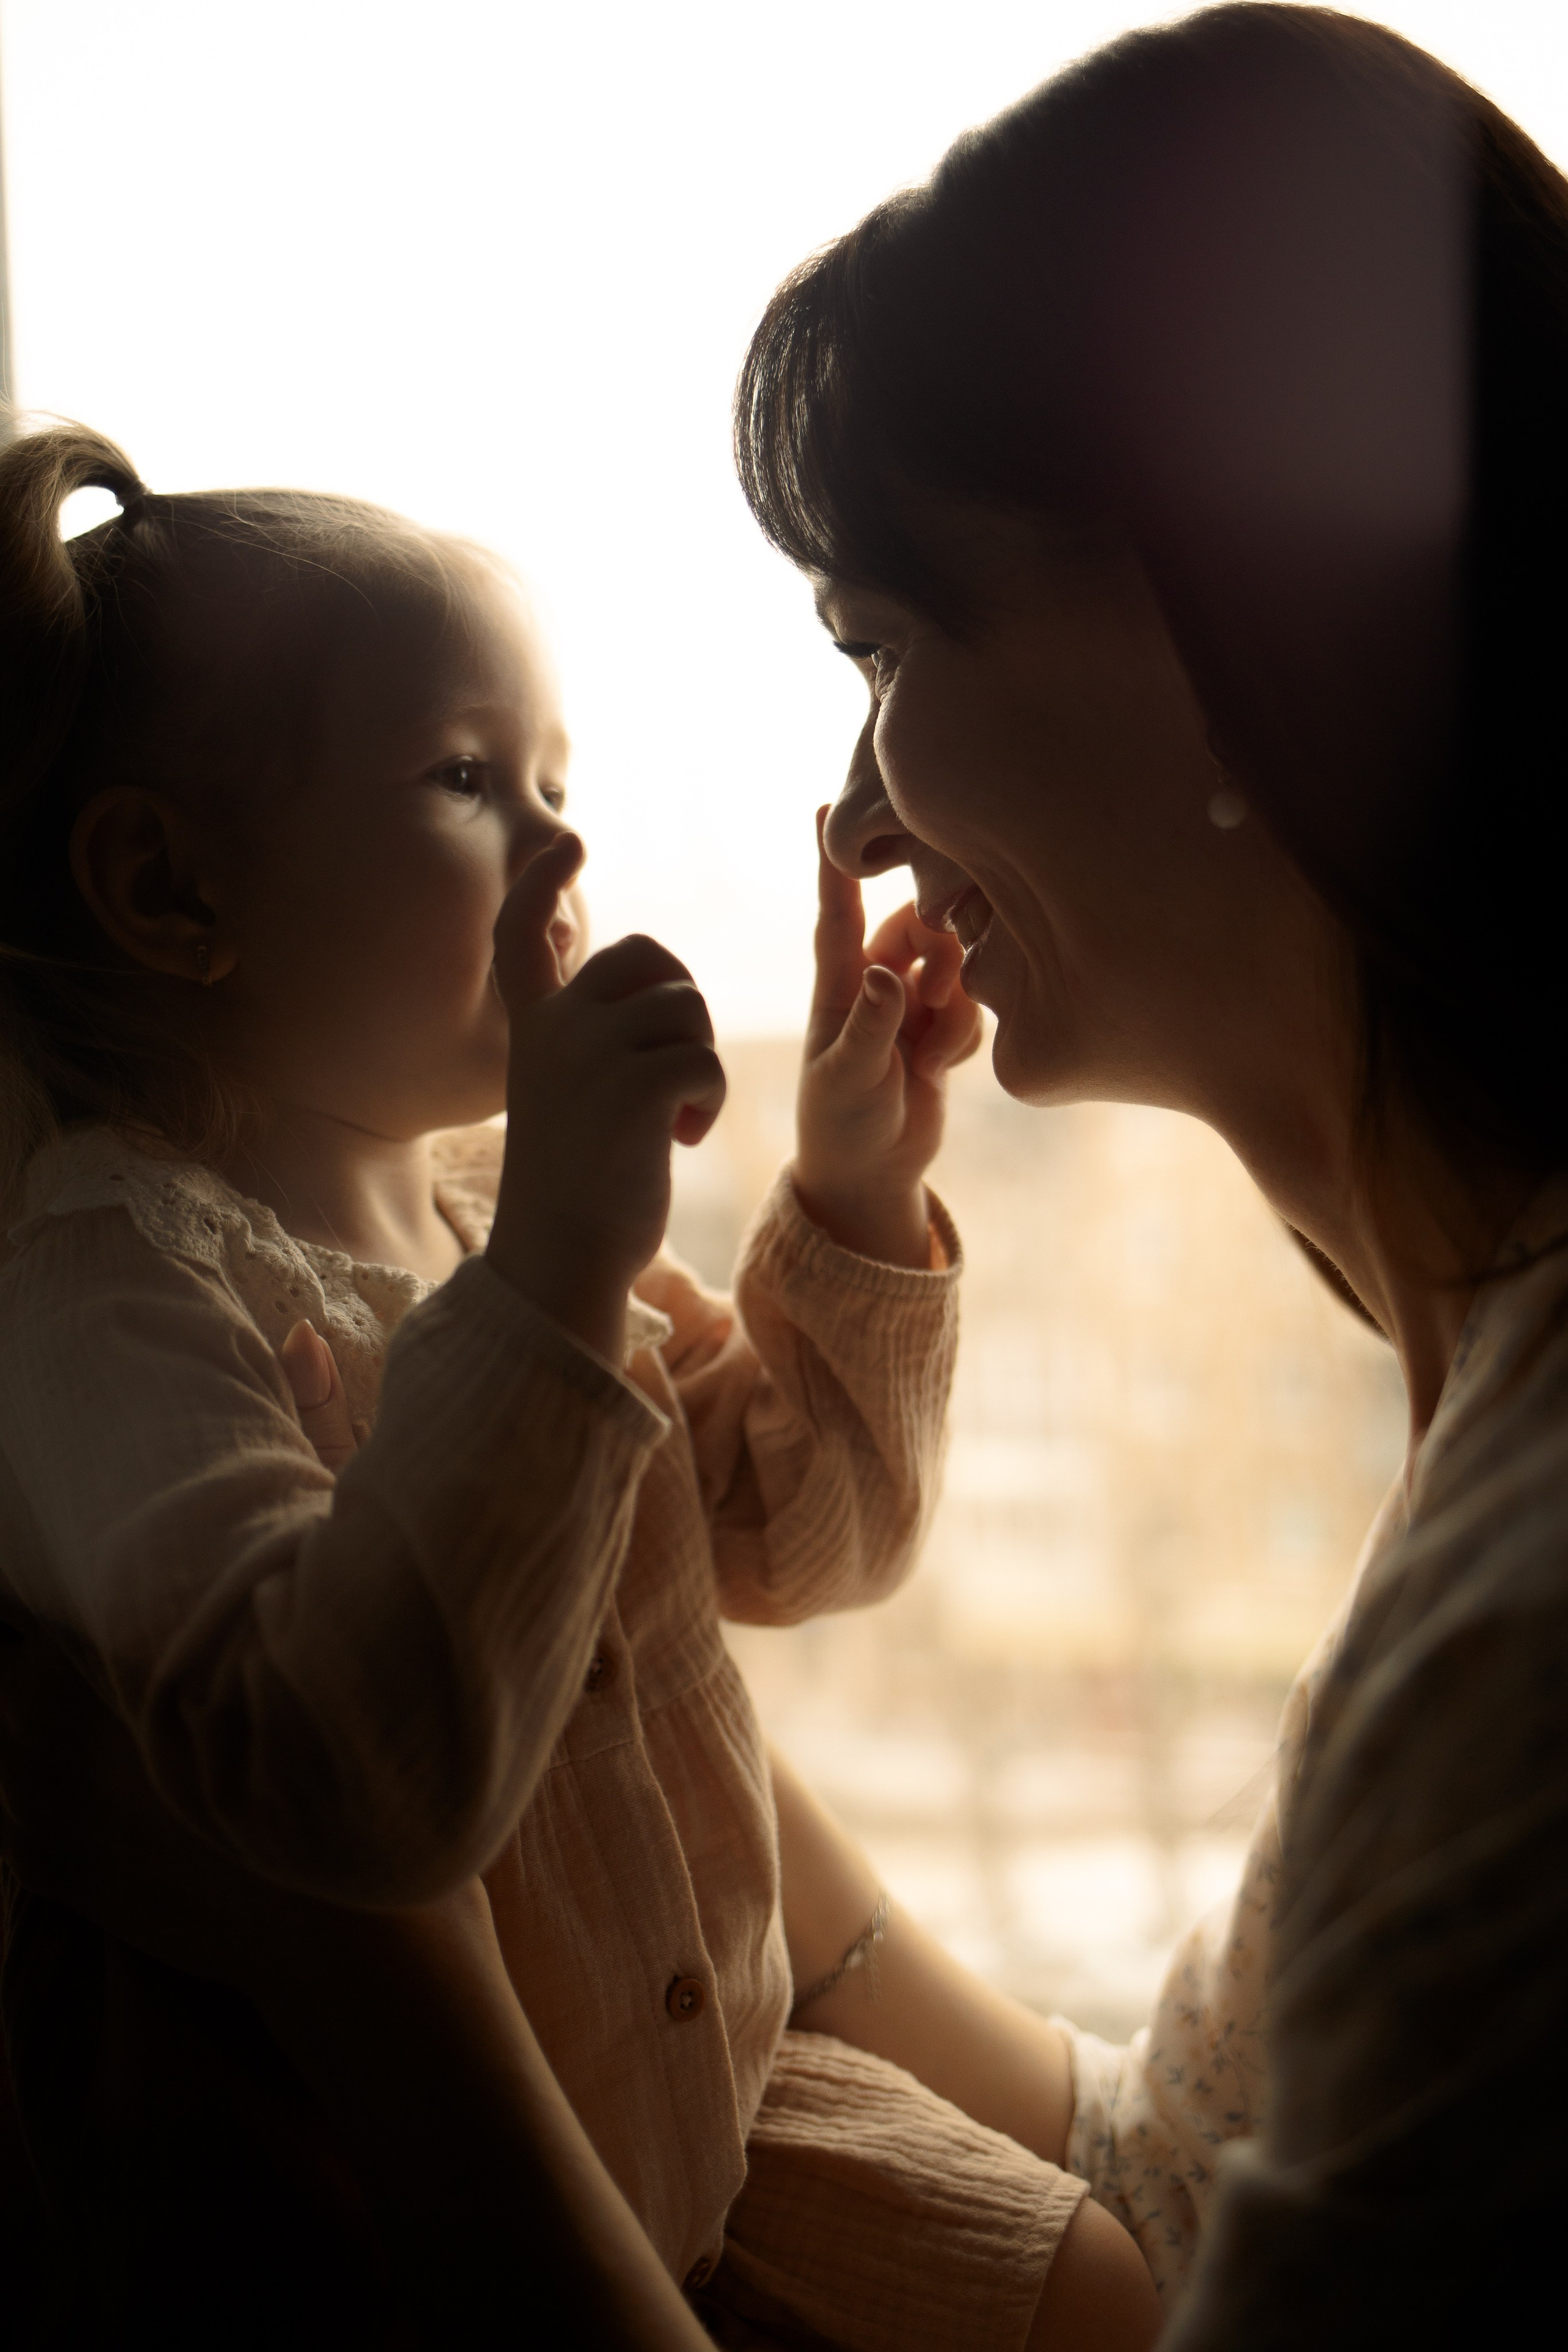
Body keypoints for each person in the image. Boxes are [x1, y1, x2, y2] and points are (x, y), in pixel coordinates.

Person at [0, 420, 1160, 2349]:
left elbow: (806, 1538)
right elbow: (341, 1778)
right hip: (410, 2213)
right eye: (468, 781)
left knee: (1095, 2286)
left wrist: (855, 1187)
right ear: (169, 889)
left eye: (555, 780)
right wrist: (549, 1277)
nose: (564, 848)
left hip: (729, 2093)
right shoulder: (111, 1296)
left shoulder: (479, 1207)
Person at [731, 2, 1568, 2341]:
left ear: (1233, 623)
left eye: (888, 644)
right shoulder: (1497, 1364)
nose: (863, 814)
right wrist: (636, 1696)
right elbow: (1171, 2186)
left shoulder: (1527, 1640)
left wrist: (389, 2006)